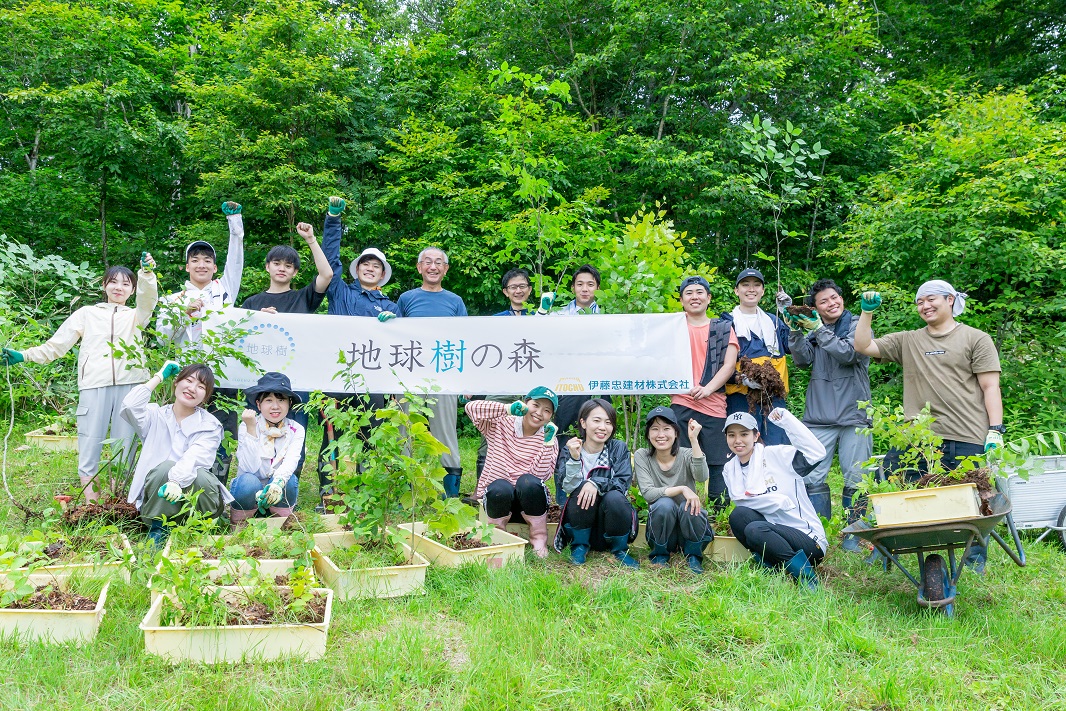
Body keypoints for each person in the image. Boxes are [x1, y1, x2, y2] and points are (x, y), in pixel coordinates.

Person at [854, 280, 1003, 570]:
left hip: (966, 433)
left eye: (930, 299)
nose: (924, 306)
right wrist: (866, 313)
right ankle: (886, 551)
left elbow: (990, 386)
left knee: (975, 499)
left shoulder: (976, 338)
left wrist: (995, 430)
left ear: (950, 300)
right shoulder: (908, 340)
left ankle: (974, 560)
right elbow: (863, 345)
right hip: (916, 439)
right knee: (896, 492)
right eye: (920, 302)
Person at [2, 255, 158, 503]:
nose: (119, 287)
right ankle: (92, 504)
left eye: (126, 283)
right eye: (114, 282)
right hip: (94, 386)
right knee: (90, 445)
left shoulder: (136, 316)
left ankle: (118, 503)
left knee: (124, 446)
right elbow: (57, 345)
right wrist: (23, 355)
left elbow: (149, 300)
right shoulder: (86, 314)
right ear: (104, 285)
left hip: (131, 386)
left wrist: (147, 275)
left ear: (133, 289)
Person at [157, 201, 245, 485]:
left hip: (222, 373)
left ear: (215, 267)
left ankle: (214, 486)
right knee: (185, 431)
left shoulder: (224, 290)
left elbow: (236, 258)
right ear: (187, 266)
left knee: (223, 429)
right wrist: (183, 315)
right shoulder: (172, 301)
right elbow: (162, 339)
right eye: (195, 259)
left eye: (207, 260)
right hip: (188, 377)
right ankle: (180, 483)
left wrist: (235, 222)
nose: (202, 264)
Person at [318, 196, 397, 504]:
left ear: (382, 274)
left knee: (372, 434)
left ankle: (369, 493)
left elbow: (404, 342)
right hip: (337, 376)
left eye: (376, 266)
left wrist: (395, 322)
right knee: (332, 435)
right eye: (365, 264)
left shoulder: (390, 305)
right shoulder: (340, 291)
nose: (370, 268)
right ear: (357, 269)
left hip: (374, 379)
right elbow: (330, 259)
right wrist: (333, 219)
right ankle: (329, 492)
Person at [241, 221, 333, 479]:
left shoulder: (303, 298)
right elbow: (241, 340)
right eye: (278, 263)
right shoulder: (251, 303)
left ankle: (286, 489)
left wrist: (311, 240)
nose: (282, 268)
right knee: (257, 436)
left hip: (297, 382)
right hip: (260, 383)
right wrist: (256, 319)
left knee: (295, 438)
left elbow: (326, 276)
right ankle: (256, 487)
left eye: (289, 266)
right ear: (267, 266)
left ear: (294, 272)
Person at [785, 279, 873, 550]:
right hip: (819, 415)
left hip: (854, 415)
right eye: (824, 301)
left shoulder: (858, 324)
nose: (832, 303)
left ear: (841, 298)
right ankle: (817, 532)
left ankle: (854, 536)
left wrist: (819, 329)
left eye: (835, 298)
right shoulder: (814, 327)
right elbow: (802, 360)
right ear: (816, 307)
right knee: (811, 476)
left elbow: (848, 354)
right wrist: (796, 332)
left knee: (857, 477)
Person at [120, 362, 227, 545]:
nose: (192, 388)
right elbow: (130, 406)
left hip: (195, 503)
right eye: (189, 380)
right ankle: (159, 530)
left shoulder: (210, 425)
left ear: (205, 397)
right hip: (157, 501)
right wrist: (159, 376)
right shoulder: (155, 415)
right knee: (164, 468)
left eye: (201, 386)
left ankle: (197, 530)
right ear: (176, 382)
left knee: (201, 476)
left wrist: (175, 481)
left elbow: (195, 457)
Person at [392, 246, 467, 497]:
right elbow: (395, 338)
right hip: (410, 375)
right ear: (419, 267)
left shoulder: (455, 301)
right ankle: (407, 490)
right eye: (427, 262)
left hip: (444, 377)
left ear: (445, 269)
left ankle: (450, 495)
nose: (432, 266)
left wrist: (464, 382)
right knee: (406, 430)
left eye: (438, 262)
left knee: (445, 432)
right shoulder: (406, 298)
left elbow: (464, 341)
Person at [723, 409, 828, 589]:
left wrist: (787, 422)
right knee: (738, 516)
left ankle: (805, 576)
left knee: (755, 529)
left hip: (807, 540)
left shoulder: (777, 456)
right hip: (770, 533)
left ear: (756, 436)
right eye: (731, 435)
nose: (737, 440)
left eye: (744, 434)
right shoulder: (730, 470)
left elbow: (816, 453)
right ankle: (770, 566)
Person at [670, 275, 739, 512]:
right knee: (679, 461)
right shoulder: (671, 328)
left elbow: (729, 365)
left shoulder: (722, 328)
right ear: (681, 300)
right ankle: (682, 513)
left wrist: (708, 389)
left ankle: (719, 517)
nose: (694, 297)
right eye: (689, 293)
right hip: (681, 403)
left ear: (708, 298)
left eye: (700, 292)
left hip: (715, 405)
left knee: (718, 464)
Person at [467, 386, 559, 557]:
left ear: (550, 417)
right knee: (499, 487)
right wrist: (506, 409)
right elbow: (471, 409)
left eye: (546, 410)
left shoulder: (549, 437)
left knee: (528, 481)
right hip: (499, 502)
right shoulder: (502, 423)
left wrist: (547, 444)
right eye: (536, 405)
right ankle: (498, 538)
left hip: (530, 505)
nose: (539, 413)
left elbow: (540, 477)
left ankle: (539, 539)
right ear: (525, 403)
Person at [553, 399, 639, 568]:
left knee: (615, 497)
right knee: (579, 490)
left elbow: (622, 482)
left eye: (608, 422)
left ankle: (620, 549)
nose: (602, 427)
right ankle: (579, 547)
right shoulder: (570, 448)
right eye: (597, 420)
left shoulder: (618, 448)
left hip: (609, 525)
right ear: (583, 423)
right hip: (581, 523)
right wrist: (575, 458)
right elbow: (567, 487)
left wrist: (595, 483)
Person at [634, 406, 713, 574]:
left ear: (676, 433)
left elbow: (701, 476)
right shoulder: (643, 456)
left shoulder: (686, 454)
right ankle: (660, 554)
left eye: (666, 429)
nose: (660, 434)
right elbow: (648, 493)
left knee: (690, 505)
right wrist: (682, 488)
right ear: (648, 434)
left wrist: (693, 440)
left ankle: (694, 555)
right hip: (662, 529)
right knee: (664, 504)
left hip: (689, 528)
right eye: (655, 429)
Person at [548, 264, 603, 502]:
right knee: (564, 438)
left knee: (599, 433)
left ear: (597, 288)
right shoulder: (557, 317)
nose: (584, 288)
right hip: (566, 387)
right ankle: (563, 499)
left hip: (598, 387)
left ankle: (595, 489)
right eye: (580, 284)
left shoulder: (610, 318)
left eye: (590, 284)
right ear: (572, 287)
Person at [721, 268, 792, 445]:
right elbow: (718, 364)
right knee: (744, 444)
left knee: (776, 445)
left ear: (763, 291)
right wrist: (741, 378)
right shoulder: (726, 323)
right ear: (736, 291)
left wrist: (789, 314)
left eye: (756, 285)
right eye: (745, 285)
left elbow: (794, 347)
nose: (751, 289)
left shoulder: (774, 321)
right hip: (741, 396)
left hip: (774, 395)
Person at [229, 372, 305, 524]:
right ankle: (239, 525)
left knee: (288, 481)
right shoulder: (247, 425)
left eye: (281, 400)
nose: (275, 406)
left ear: (289, 403)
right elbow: (249, 468)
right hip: (250, 490)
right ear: (258, 404)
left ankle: (280, 524)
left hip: (277, 489)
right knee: (249, 481)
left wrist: (277, 484)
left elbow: (291, 462)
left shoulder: (296, 429)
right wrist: (251, 429)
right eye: (268, 400)